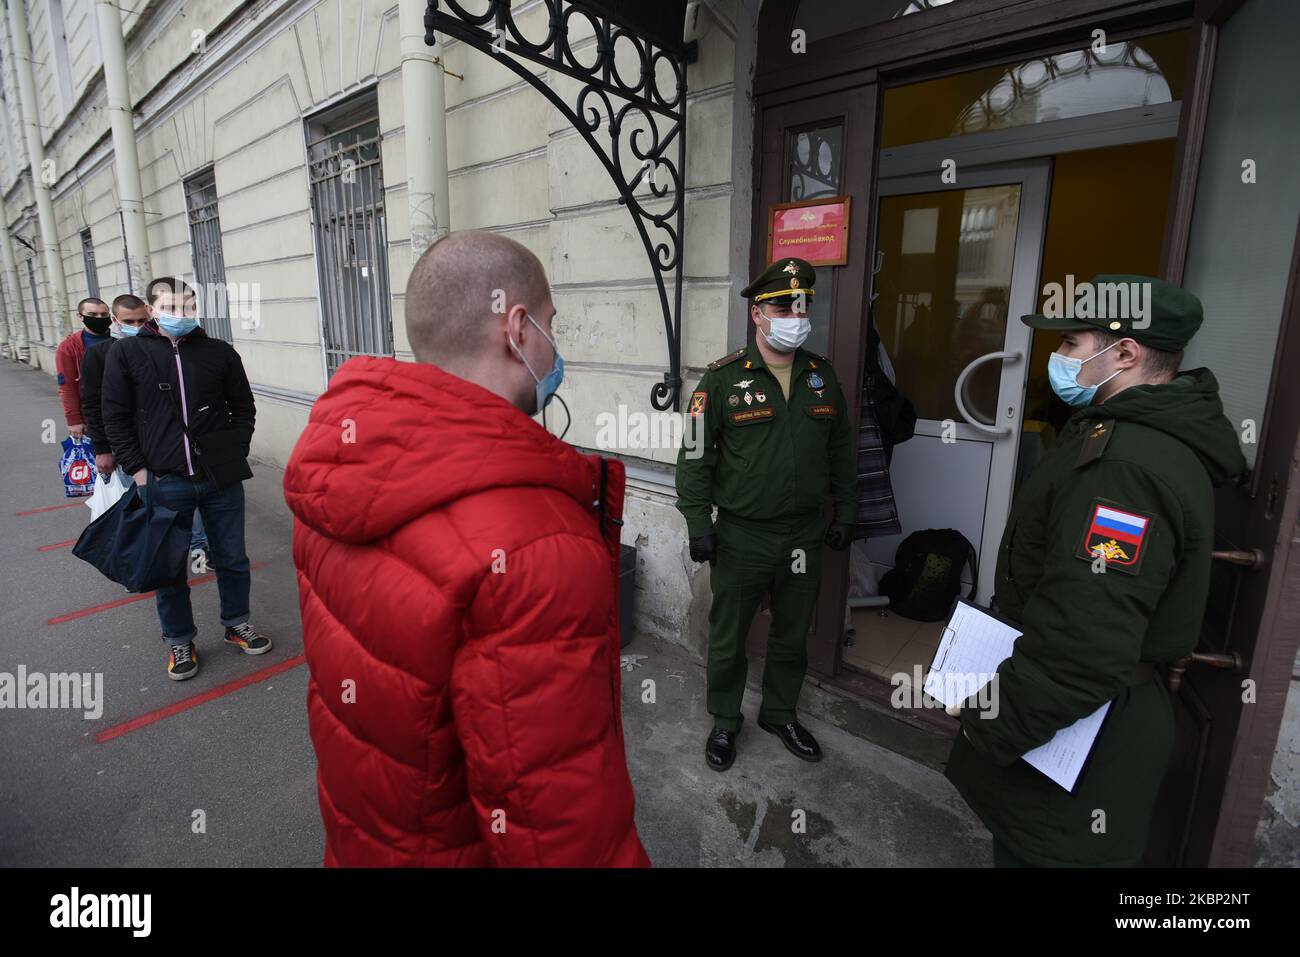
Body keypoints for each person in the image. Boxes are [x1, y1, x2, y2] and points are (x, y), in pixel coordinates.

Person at [283, 230, 649, 867]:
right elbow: (555, 820)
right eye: (552, 324)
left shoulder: (340, 470)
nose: (555, 345)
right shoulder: (537, 543)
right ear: (517, 329)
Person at [944, 274, 1247, 867]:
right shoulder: (1125, 434)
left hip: (1086, 735)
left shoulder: (1126, 468)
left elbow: (1083, 644)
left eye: (1070, 344)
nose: (1056, 358)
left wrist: (989, 720)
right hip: (1086, 719)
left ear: (1126, 353)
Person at [675, 257, 858, 772]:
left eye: (802, 306)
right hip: (741, 537)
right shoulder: (721, 380)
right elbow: (693, 457)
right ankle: (726, 722)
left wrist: (847, 510)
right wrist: (698, 525)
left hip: (804, 534)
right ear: (758, 314)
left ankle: (780, 713)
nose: (795, 315)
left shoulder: (822, 378)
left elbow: (841, 451)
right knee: (729, 636)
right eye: (783, 306)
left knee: (792, 632)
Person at [101, 277, 265, 680]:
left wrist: (235, 449)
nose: (181, 315)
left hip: (219, 479)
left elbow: (242, 406)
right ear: (153, 311)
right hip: (163, 479)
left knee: (232, 557)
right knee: (169, 566)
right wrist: (138, 469)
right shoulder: (127, 354)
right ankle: (179, 640)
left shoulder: (218, 352)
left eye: (188, 307)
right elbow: (114, 416)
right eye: (171, 308)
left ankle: (237, 624)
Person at [81, 294, 210, 562]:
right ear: (115, 321)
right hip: (127, 445)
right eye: (129, 321)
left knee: (183, 499)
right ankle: (144, 558)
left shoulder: (164, 349)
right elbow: (95, 405)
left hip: (164, 442)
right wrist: (103, 449)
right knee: (142, 503)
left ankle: (198, 549)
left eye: (142, 320)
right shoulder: (100, 355)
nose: (137, 326)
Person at [54, 297, 111, 440]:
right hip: (92, 415)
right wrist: (74, 420)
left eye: (104, 315)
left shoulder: (120, 339)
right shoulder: (69, 347)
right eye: (93, 315)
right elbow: (67, 386)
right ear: (80, 316)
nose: (99, 318)